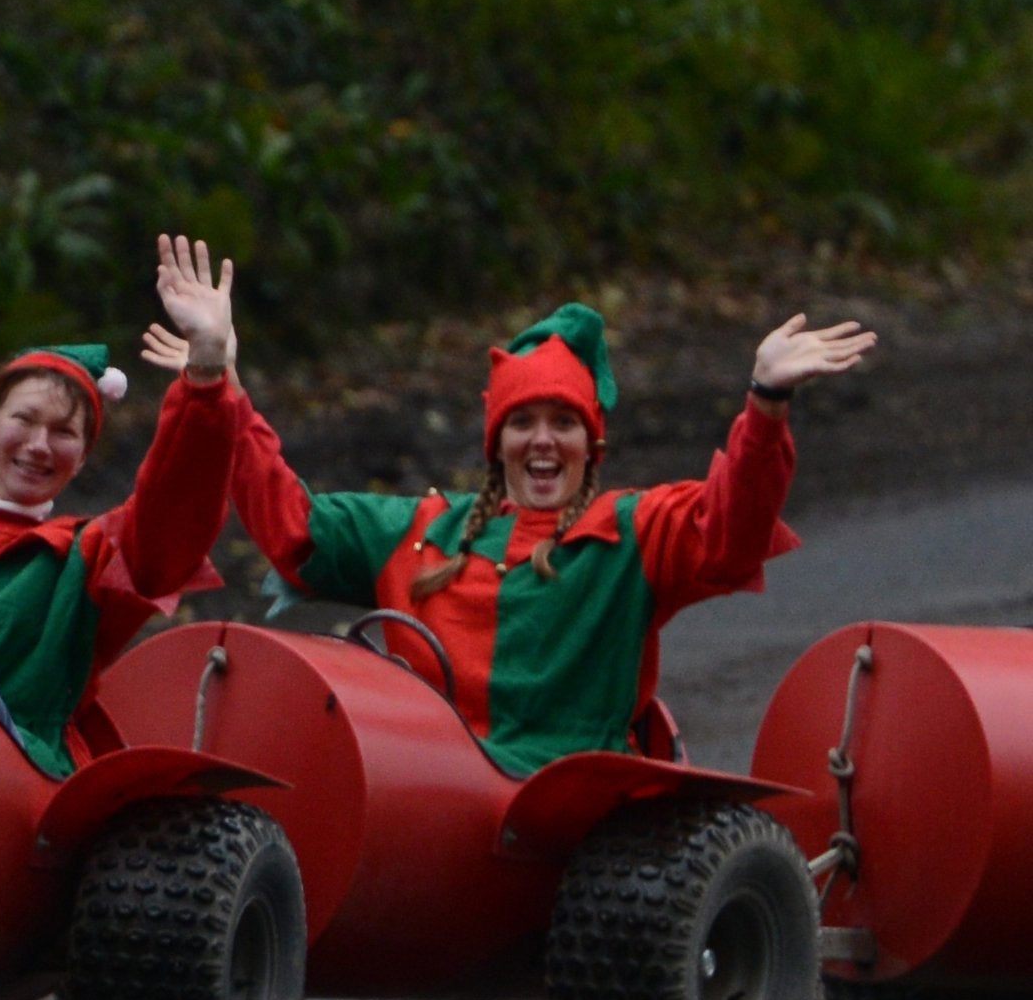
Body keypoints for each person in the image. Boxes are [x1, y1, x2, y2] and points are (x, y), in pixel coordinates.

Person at [148, 260, 876, 776]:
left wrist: (766, 405)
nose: (542, 440)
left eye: (564, 421)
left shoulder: (634, 529)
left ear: (592, 443)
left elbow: (733, 529)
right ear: (495, 440)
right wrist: (216, 377)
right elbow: (290, 526)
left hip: (578, 811)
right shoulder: (420, 530)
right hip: (431, 799)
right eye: (522, 421)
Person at [0, 235, 239, 777]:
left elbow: (170, 526)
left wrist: (205, 377)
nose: (40, 445)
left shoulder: (83, 556)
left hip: (14, 784)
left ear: (83, 457)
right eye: (24, 420)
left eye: (64, 432)